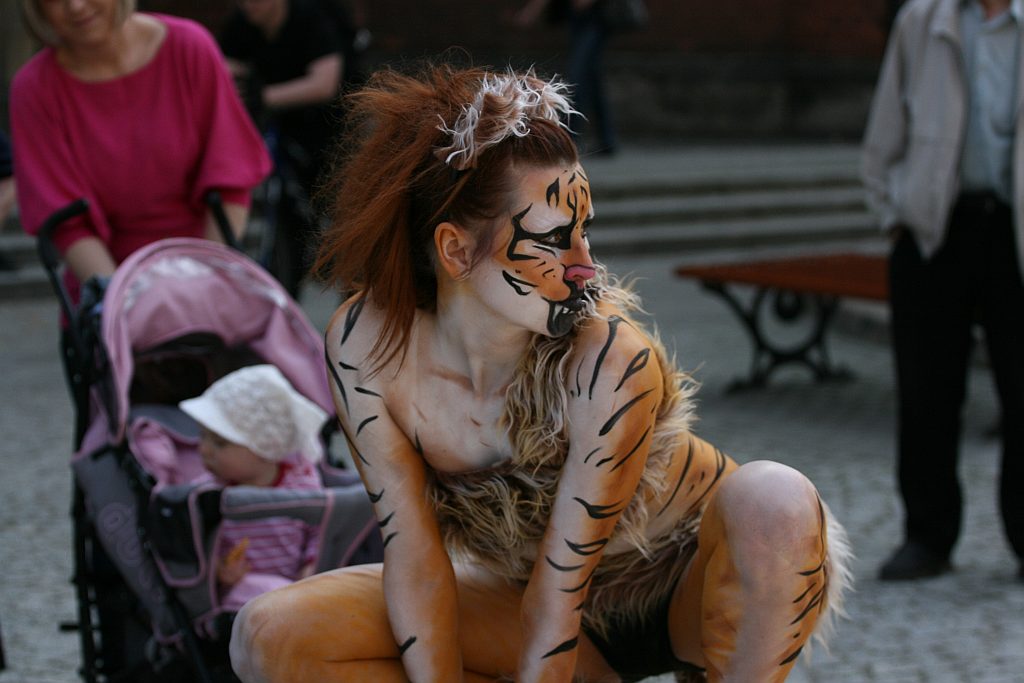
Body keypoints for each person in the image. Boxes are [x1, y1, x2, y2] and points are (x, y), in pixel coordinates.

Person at [227, 65, 852, 682]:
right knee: (270, 637)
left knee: (776, 499)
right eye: (555, 239)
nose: (587, 268)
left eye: (586, 231)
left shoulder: (608, 359)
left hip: (692, 584)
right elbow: (416, 562)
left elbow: (560, 592)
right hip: (523, 605)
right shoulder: (367, 344)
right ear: (454, 250)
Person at [862, 0, 1024, 581]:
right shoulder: (923, 20)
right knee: (928, 390)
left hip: (1017, 231)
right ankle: (928, 536)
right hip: (935, 231)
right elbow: (886, 124)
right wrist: (894, 210)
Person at [10, 0, 270, 305]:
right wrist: (126, 307)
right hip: (108, 291)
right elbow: (67, 223)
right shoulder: (35, 88)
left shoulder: (189, 48)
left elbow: (230, 178)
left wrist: (200, 289)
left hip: (207, 274)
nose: (76, 6)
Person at [219, 0, 344, 298]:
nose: (250, 5)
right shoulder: (239, 25)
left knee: (330, 199)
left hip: (320, 129)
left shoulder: (311, 21)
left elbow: (325, 82)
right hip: (267, 130)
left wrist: (263, 97)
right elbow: (220, 68)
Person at [180, 364, 328, 610]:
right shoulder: (207, 491)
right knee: (263, 598)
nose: (203, 449)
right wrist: (217, 568)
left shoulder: (302, 482)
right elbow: (192, 541)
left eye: (219, 443)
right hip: (241, 594)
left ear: (264, 449)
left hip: (299, 587)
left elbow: (319, 530)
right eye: (203, 436)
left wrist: (311, 566)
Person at [514, 0, 618, 155]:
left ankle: (570, 136)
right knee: (591, 79)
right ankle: (606, 139)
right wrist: (530, 12)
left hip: (596, 16)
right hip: (578, 18)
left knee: (577, 75)